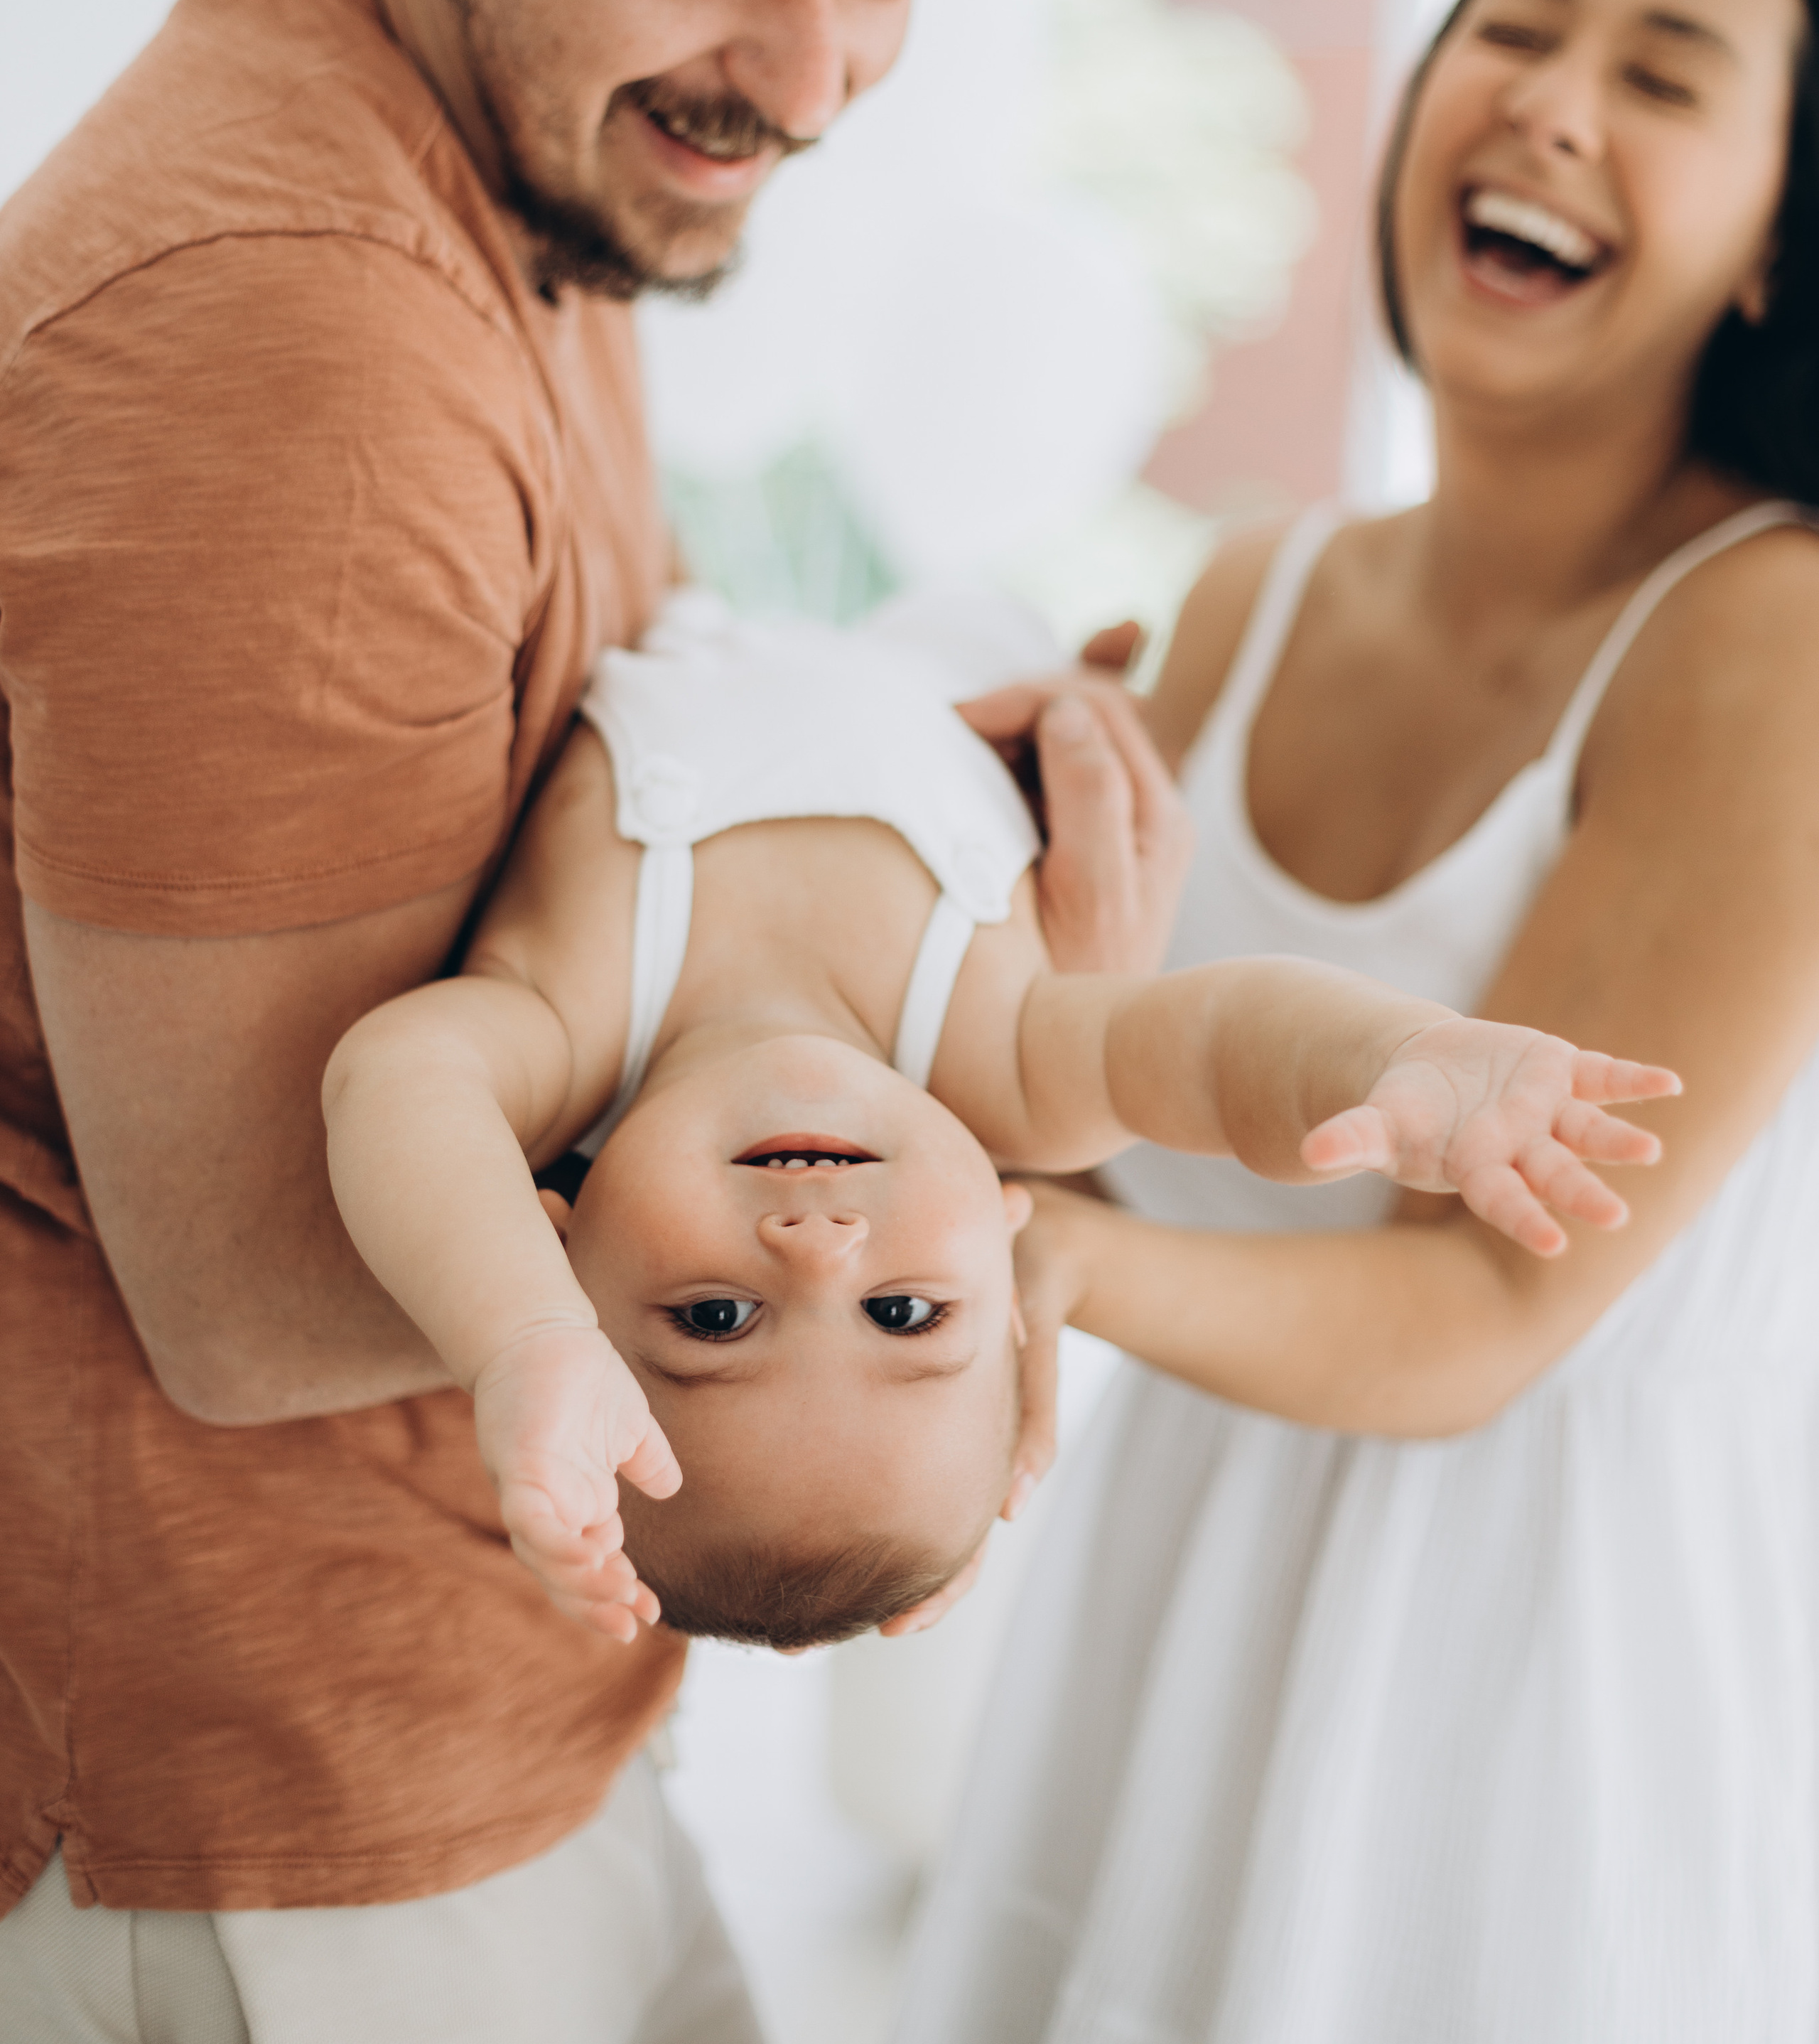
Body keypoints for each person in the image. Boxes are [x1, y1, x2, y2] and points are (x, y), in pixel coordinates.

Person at [0, 0, 1104, 2044]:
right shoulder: (307, 344)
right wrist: (982, 1133)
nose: (815, 77)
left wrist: (839, 831)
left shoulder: (538, 157)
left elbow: (514, 791)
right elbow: (259, 1287)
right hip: (279, 1836)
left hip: (478, 1741)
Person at [874, 0, 1819, 2044]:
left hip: (1523, 1689)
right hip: (1184, 1596)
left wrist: (1056, 1261)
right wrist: (975, 863)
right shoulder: (1250, 587)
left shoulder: (1771, 638)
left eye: (1664, 72)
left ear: (1783, 231)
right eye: (1516, 21)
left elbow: (1482, 1318)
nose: (1554, 102)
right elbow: (1082, 1095)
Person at [320, 587, 1672, 1654]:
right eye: (909, 1317)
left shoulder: (567, 1026)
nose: (819, 1249)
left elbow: (396, 1084)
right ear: (1008, 1256)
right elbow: (1210, 1047)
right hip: (974, 659)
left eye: (714, 1320)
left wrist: (519, 1342)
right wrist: (1399, 1055)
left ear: (558, 1246)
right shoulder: (1013, 1067)